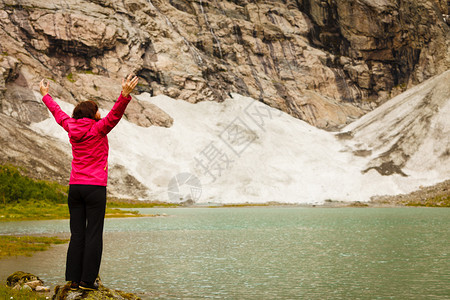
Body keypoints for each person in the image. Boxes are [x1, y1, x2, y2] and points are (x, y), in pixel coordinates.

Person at [39, 75, 139, 291]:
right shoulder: (99, 128)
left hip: (75, 188)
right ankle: (87, 281)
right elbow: (115, 115)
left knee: (77, 234)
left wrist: (45, 96)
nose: (99, 113)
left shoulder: (70, 126)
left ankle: (73, 279)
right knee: (93, 233)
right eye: (97, 110)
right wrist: (124, 95)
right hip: (95, 188)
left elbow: (58, 114)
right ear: (93, 114)